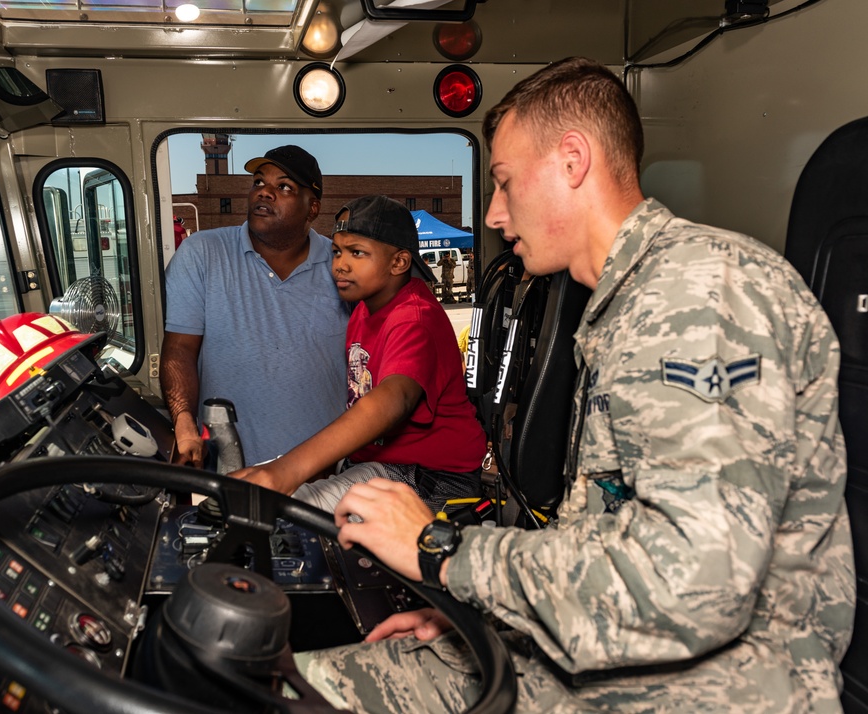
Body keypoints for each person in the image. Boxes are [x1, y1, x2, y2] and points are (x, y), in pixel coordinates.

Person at [297, 57, 855, 713]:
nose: (497, 215)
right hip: (608, 661)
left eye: (504, 183)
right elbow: (609, 538)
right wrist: (493, 623)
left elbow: (693, 587)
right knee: (296, 680)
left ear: (572, 161)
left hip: (711, 692)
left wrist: (442, 552)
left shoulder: (700, 296)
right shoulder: (618, 303)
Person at [231, 195, 487, 513]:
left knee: (284, 509)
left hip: (432, 477)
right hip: (386, 463)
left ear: (399, 263)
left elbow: (393, 400)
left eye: (357, 253)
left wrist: (287, 472)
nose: (341, 264)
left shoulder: (414, 319)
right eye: (337, 251)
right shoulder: (365, 310)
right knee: (243, 492)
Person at [161, 145, 348, 468]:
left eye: (284, 187)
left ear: (312, 208)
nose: (265, 193)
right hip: (230, 469)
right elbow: (179, 350)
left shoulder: (341, 266)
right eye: (259, 182)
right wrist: (183, 422)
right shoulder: (202, 254)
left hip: (325, 473)